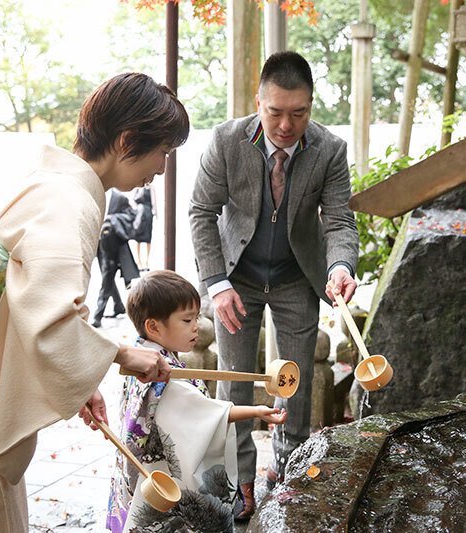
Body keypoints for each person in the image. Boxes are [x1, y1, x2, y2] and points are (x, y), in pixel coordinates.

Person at [0, 72, 188, 532]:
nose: (162, 168)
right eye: (162, 151)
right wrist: (123, 354)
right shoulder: (71, 199)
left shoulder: (54, 179)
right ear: (127, 140)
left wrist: (78, 377)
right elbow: (51, 322)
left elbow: (30, 302)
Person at [189, 51, 359, 520]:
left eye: (299, 113)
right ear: (258, 101)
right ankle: (241, 482)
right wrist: (216, 283)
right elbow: (201, 213)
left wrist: (340, 265)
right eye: (276, 111)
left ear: (311, 106)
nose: (287, 124)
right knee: (235, 383)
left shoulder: (330, 150)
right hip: (235, 279)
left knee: (294, 385)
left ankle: (288, 474)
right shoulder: (225, 141)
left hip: (294, 279)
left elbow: (340, 219)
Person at [107, 270, 287, 532]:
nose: (197, 327)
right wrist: (258, 411)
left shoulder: (139, 354)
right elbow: (209, 415)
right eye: (187, 319)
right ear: (154, 326)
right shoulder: (162, 374)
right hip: (161, 477)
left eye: (198, 317)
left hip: (141, 470)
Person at [92, 191, 140, 328]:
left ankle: (97, 316)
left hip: (111, 251)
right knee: (107, 281)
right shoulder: (96, 196)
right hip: (102, 249)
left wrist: (112, 220)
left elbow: (131, 218)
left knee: (106, 282)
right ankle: (118, 306)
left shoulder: (117, 203)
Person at [131, 183, 156, 270]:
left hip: (148, 214)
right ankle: (139, 261)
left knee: (148, 238)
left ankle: (147, 261)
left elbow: (154, 201)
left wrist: (155, 213)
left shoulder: (151, 188)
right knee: (138, 238)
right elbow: (133, 201)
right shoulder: (137, 188)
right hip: (139, 215)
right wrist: (136, 212)